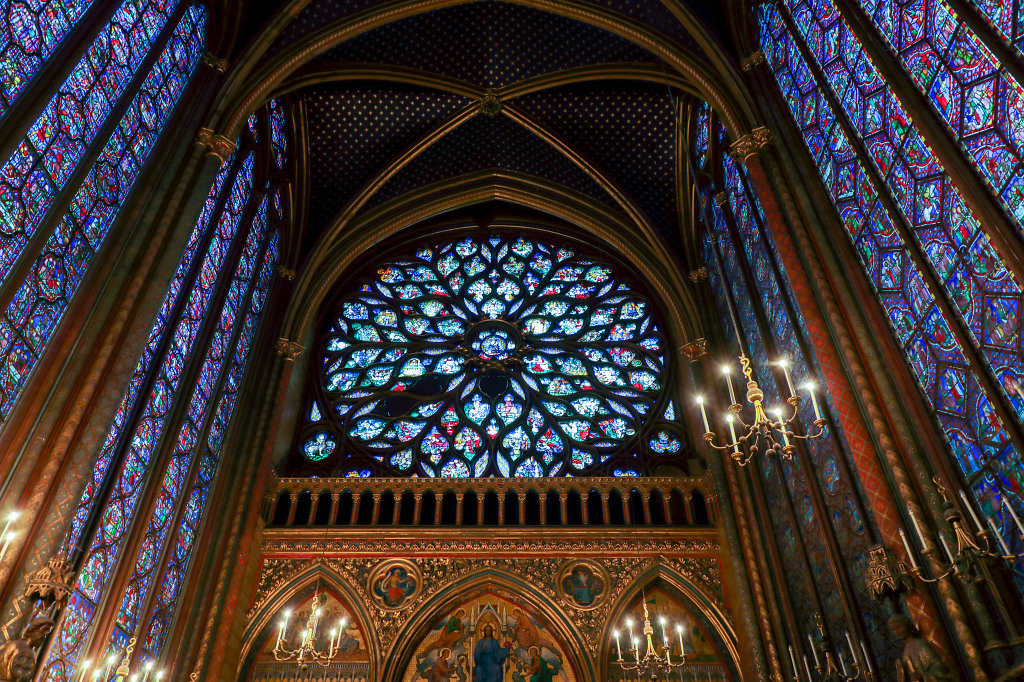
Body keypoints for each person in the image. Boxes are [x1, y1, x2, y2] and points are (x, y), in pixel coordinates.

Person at [887, 614, 954, 682]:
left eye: (898, 627)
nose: (895, 632)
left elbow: (937, 666)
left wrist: (923, 676)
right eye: (893, 629)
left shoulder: (919, 645)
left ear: (906, 626)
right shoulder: (905, 651)